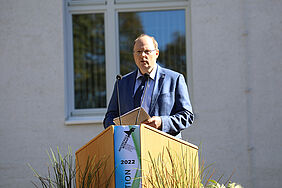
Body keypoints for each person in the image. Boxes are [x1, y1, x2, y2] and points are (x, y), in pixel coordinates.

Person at [103, 34, 193, 138]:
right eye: (138, 52)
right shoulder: (122, 83)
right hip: (130, 148)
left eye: (147, 51)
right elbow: (110, 117)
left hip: (164, 146)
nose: (142, 55)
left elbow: (187, 116)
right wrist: (118, 130)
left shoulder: (174, 79)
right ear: (133, 55)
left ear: (156, 53)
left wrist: (162, 122)